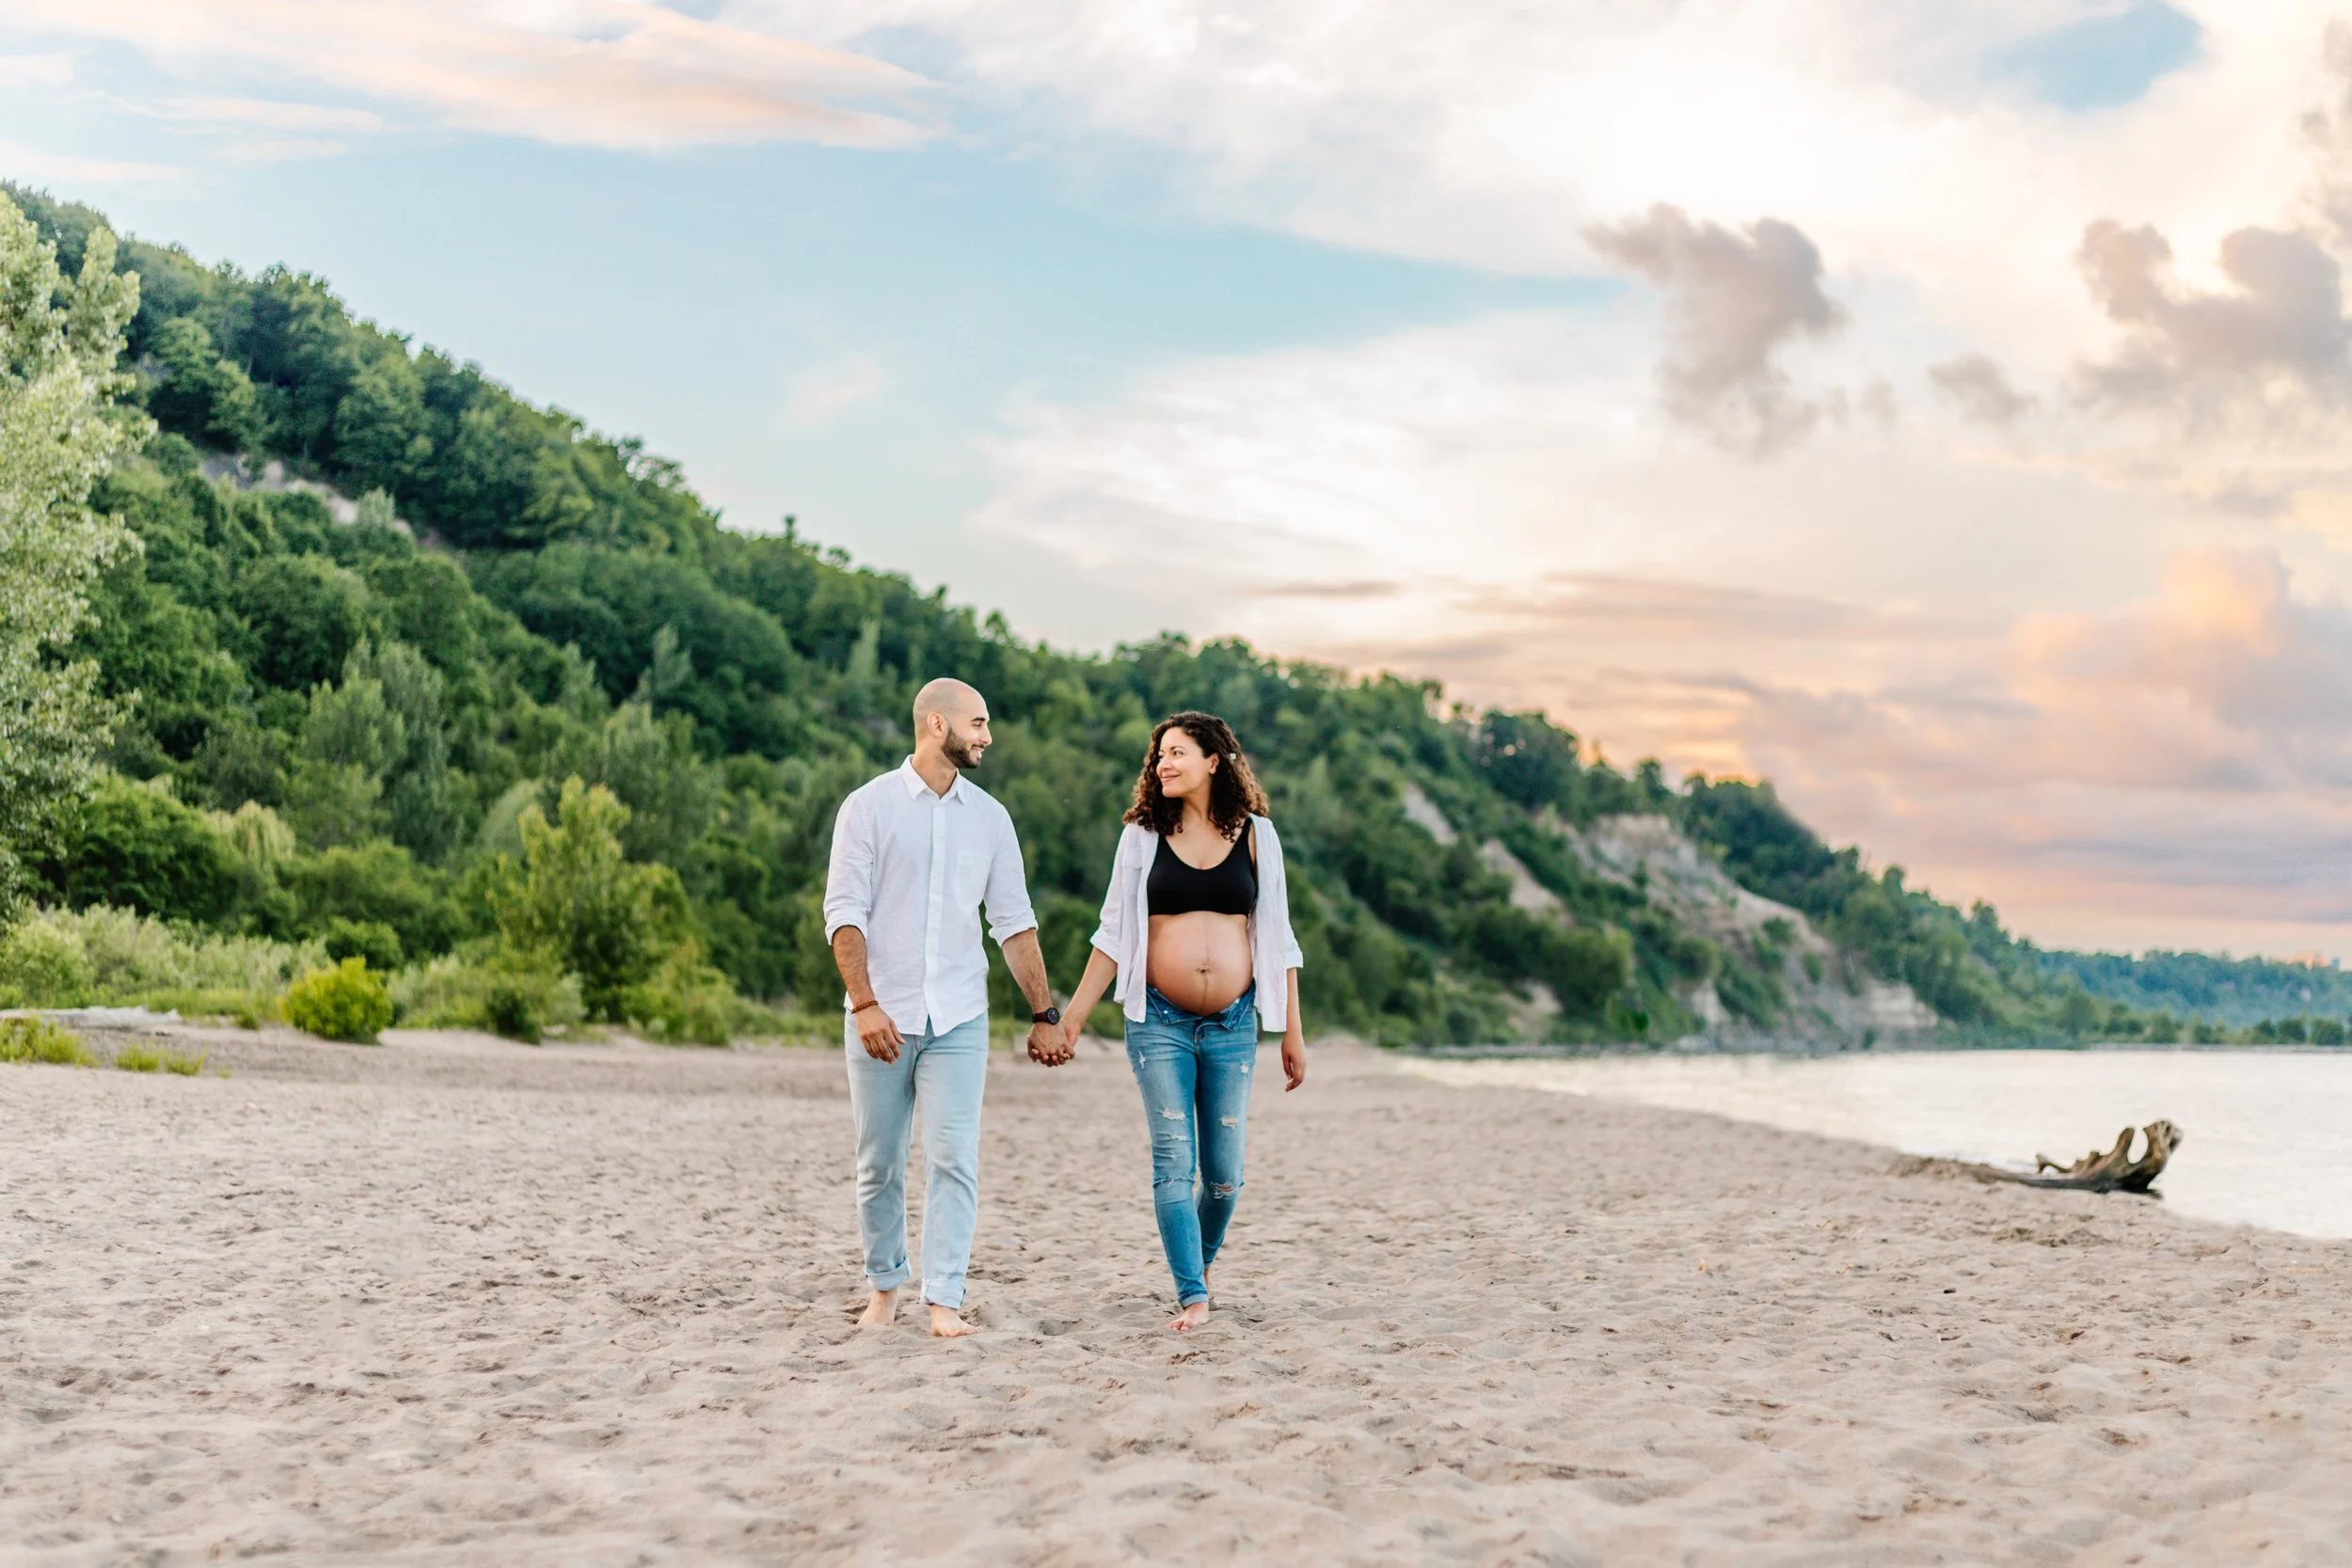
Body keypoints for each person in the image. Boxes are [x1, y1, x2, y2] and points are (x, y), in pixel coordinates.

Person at [823, 677, 1066, 1338]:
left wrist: (1045, 1014)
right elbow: (843, 915)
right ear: (938, 723)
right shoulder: (867, 808)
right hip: (882, 1018)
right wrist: (866, 1003)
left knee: (955, 1156)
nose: (987, 736)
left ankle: (944, 1300)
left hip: (959, 1016)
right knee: (879, 1162)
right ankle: (883, 1286)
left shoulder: (990, 818)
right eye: (978, 723)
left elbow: (1014, 924)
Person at [1061, 710, 1306, 1333]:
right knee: (1174, 1160)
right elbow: (1112, 935)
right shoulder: (1142, 835)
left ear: (1214, 761)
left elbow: (1279, 938)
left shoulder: (1257, 835)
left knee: (1224, 1177)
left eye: (1178, 752)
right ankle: (1193, 1294)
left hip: (1233, 1024)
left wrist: (1292, 1031)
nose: (1164, 763)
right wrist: (1069, 1021)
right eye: (1160, 754)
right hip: (1158, 1024)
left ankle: (1195, 1266)